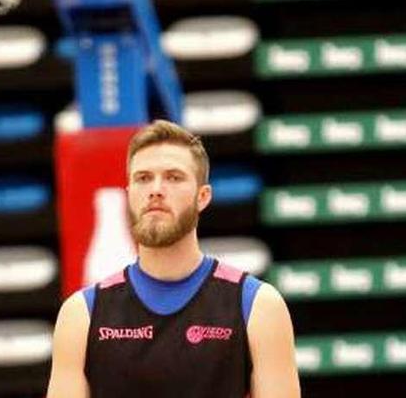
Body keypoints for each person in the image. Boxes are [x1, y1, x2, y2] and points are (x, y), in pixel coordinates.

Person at [47, 120, 301, 398]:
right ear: (129, 194)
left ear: (202, 197)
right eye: (143, 178)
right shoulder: (82, 315)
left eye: (173, 177)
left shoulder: (258, 306)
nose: (156, 189)